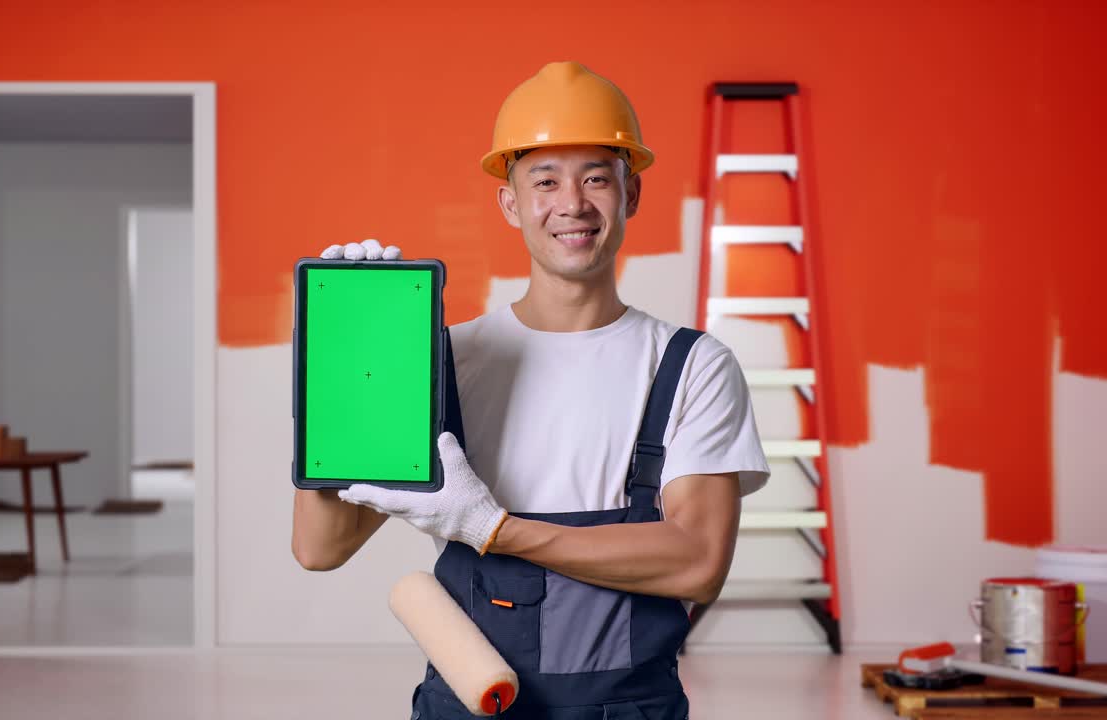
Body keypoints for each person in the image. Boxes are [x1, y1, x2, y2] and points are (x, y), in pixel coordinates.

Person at [292, 61, 769, 719]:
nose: (572, 203)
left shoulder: (691, 366)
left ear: (631, 193)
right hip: (470, 704)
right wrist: (339, 369)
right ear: (511, 203)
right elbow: (321, 547)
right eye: (545, 181)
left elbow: (698, 563)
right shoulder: (447, 362)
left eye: (596, 178)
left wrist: (492, 529)